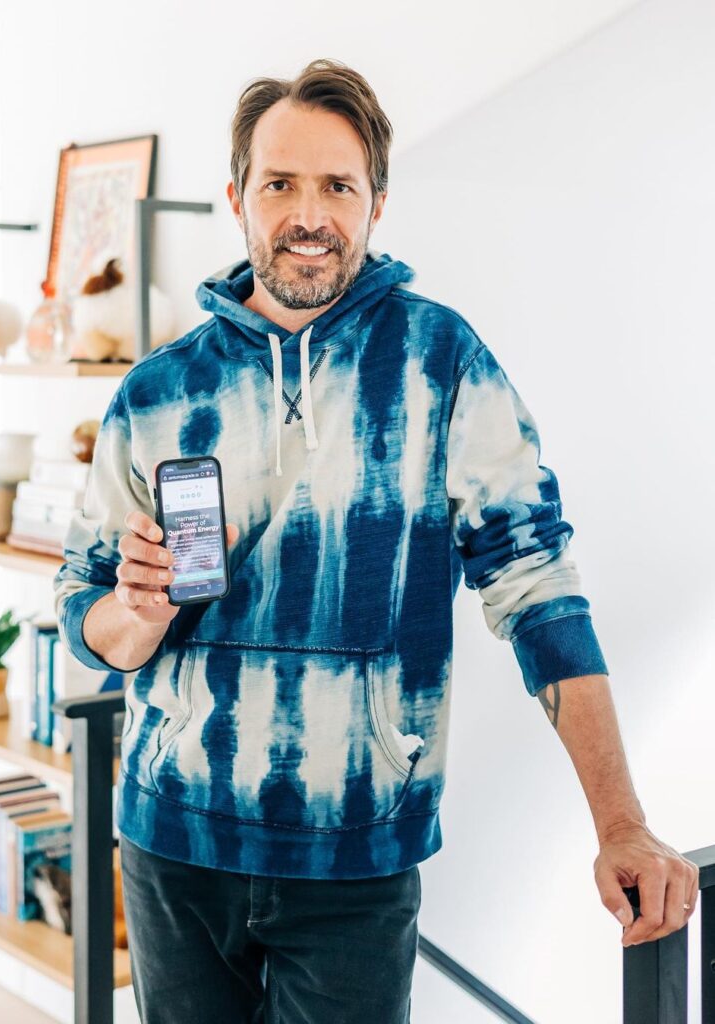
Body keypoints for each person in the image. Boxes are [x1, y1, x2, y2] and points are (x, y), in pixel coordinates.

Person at [53, 57, 698, 1024]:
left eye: (337, 186)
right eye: (280, 184)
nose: (308, 214)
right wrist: (133, 610)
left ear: (376, 202)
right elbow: (85, 613)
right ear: (236, 198)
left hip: (355, 855)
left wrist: (623, 823)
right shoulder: (156, 391)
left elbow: (538, 589)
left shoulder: (441, 363)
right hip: (173, 847)